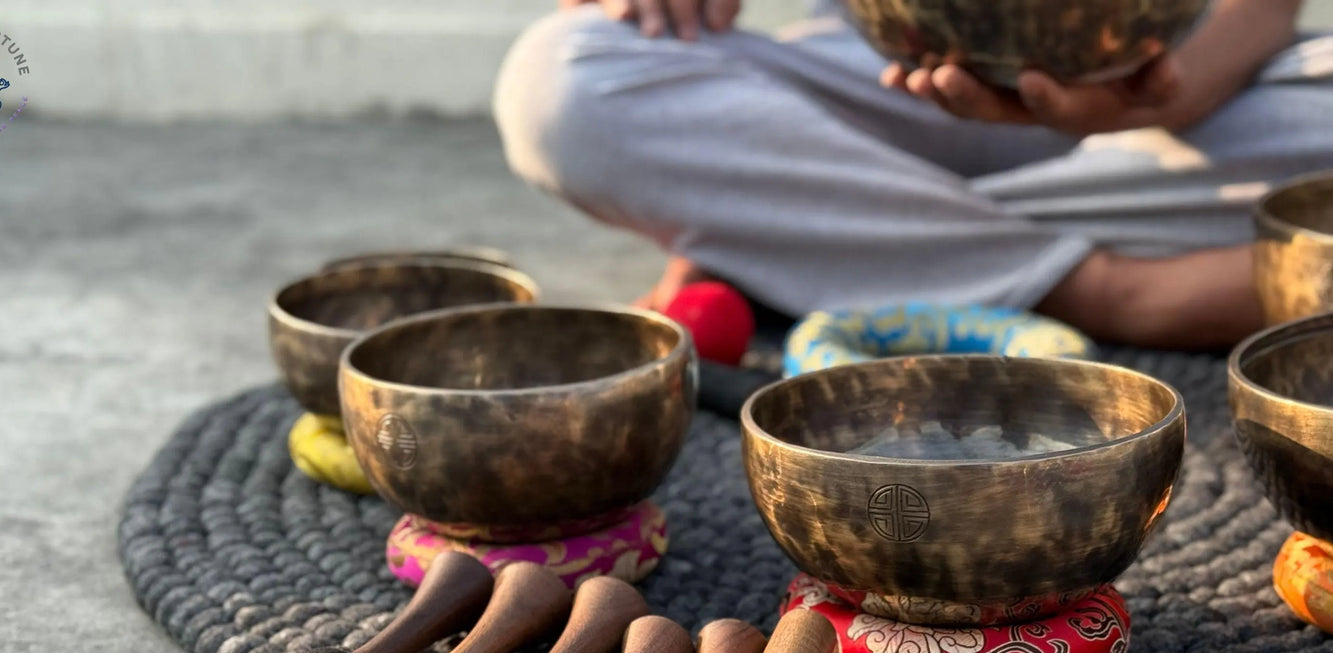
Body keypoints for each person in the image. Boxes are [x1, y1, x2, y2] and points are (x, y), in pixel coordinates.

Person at [494, 0, 1333, 349]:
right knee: (567, 81)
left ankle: (807, 240)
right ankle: (1094, 287)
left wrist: (1152, 95)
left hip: (1179, 104)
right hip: (889, 93)